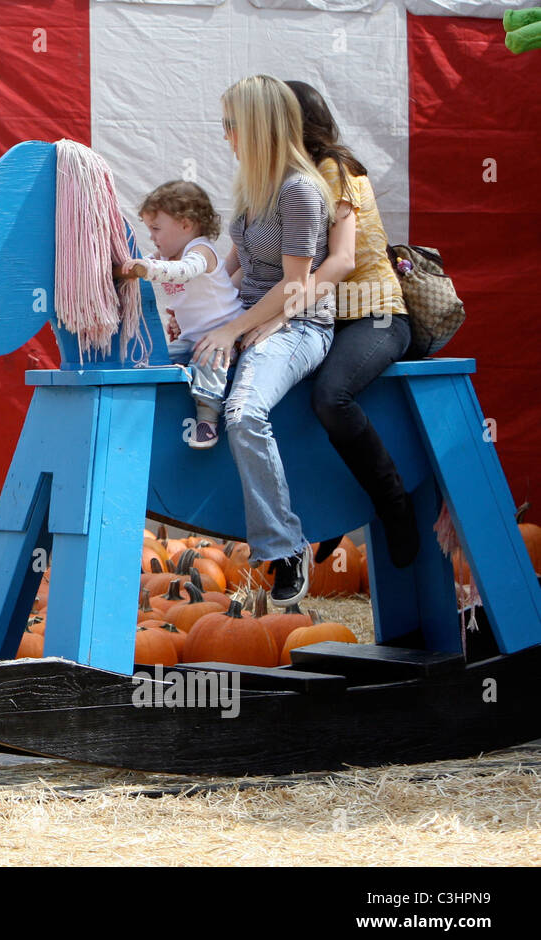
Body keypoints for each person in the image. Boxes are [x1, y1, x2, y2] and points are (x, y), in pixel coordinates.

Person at [190, 75, 336, 606]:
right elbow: (231, 274)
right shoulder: (251, 186)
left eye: (231, 124)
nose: (225, 134)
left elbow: (296, 286)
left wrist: (234, 328)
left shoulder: (300, 190)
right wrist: (194, 318)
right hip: (247, 316)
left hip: (298, 323)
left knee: (245, 412)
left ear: (257, 127)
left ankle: (285, 545)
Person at [286, 79, 419, 568]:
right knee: (288, 393)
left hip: (377, 315)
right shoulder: (292, 176)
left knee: (330, 396)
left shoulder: (331, 170)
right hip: (329, 320)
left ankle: (394, 506)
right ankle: (328, 514)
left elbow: (335, 263)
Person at [122, 181, 245, 449]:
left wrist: (147, 268)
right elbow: (149, 262)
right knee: (158, 357)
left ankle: (207, 420)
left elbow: (185, 271)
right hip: (192, 337)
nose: (153, 237)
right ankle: (140, 410)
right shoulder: (166, 255)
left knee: (208, 361)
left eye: (156, 229)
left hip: (223, 333)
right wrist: (128, 268)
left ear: (186, 225)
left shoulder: (200, 251)